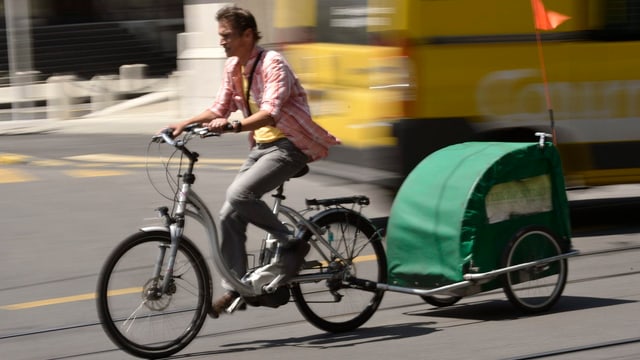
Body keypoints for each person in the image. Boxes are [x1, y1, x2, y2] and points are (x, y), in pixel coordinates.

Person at [166, 5, 340, 318]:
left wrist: (233, 126)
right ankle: (238, 287)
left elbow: (271, 112)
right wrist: (183, 124)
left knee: (239, 195)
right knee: (228, 214)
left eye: (227, 35)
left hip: (290, 145)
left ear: (248, 35)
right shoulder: (233, 67)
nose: (222, 42)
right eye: (220, 36)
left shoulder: (273, 63)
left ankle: (292, 242)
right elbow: (219, 108)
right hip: (261, 146)